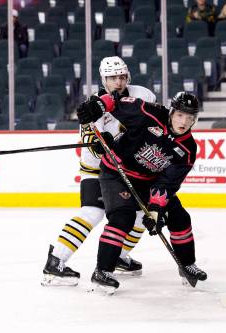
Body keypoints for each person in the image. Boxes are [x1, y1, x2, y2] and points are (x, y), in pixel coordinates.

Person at [42, 56, 156, 286]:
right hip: (97, 170)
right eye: (113, 77)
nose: (118, 82)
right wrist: (98, 143)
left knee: (142, 215)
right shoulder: (93, 106)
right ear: (104, 80)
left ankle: (120, 257)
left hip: (127, 169)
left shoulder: (143, 95)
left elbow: (154, 123)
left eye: (122, 76)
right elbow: (93, 146)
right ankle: (55, 263)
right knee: (93, 213)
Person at [76, 91, 207, 293]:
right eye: (180, 115)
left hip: (148, 182)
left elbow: (167, 183)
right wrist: (100, 105)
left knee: (180, 218)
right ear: (172, 112)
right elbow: (118, 102)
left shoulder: (188, 149)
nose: (184, 122)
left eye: (190, 118)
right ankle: (103, 271)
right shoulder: (151, 114)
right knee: (122, 218)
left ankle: (187, 264)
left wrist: (155, 210)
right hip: (116, 174)